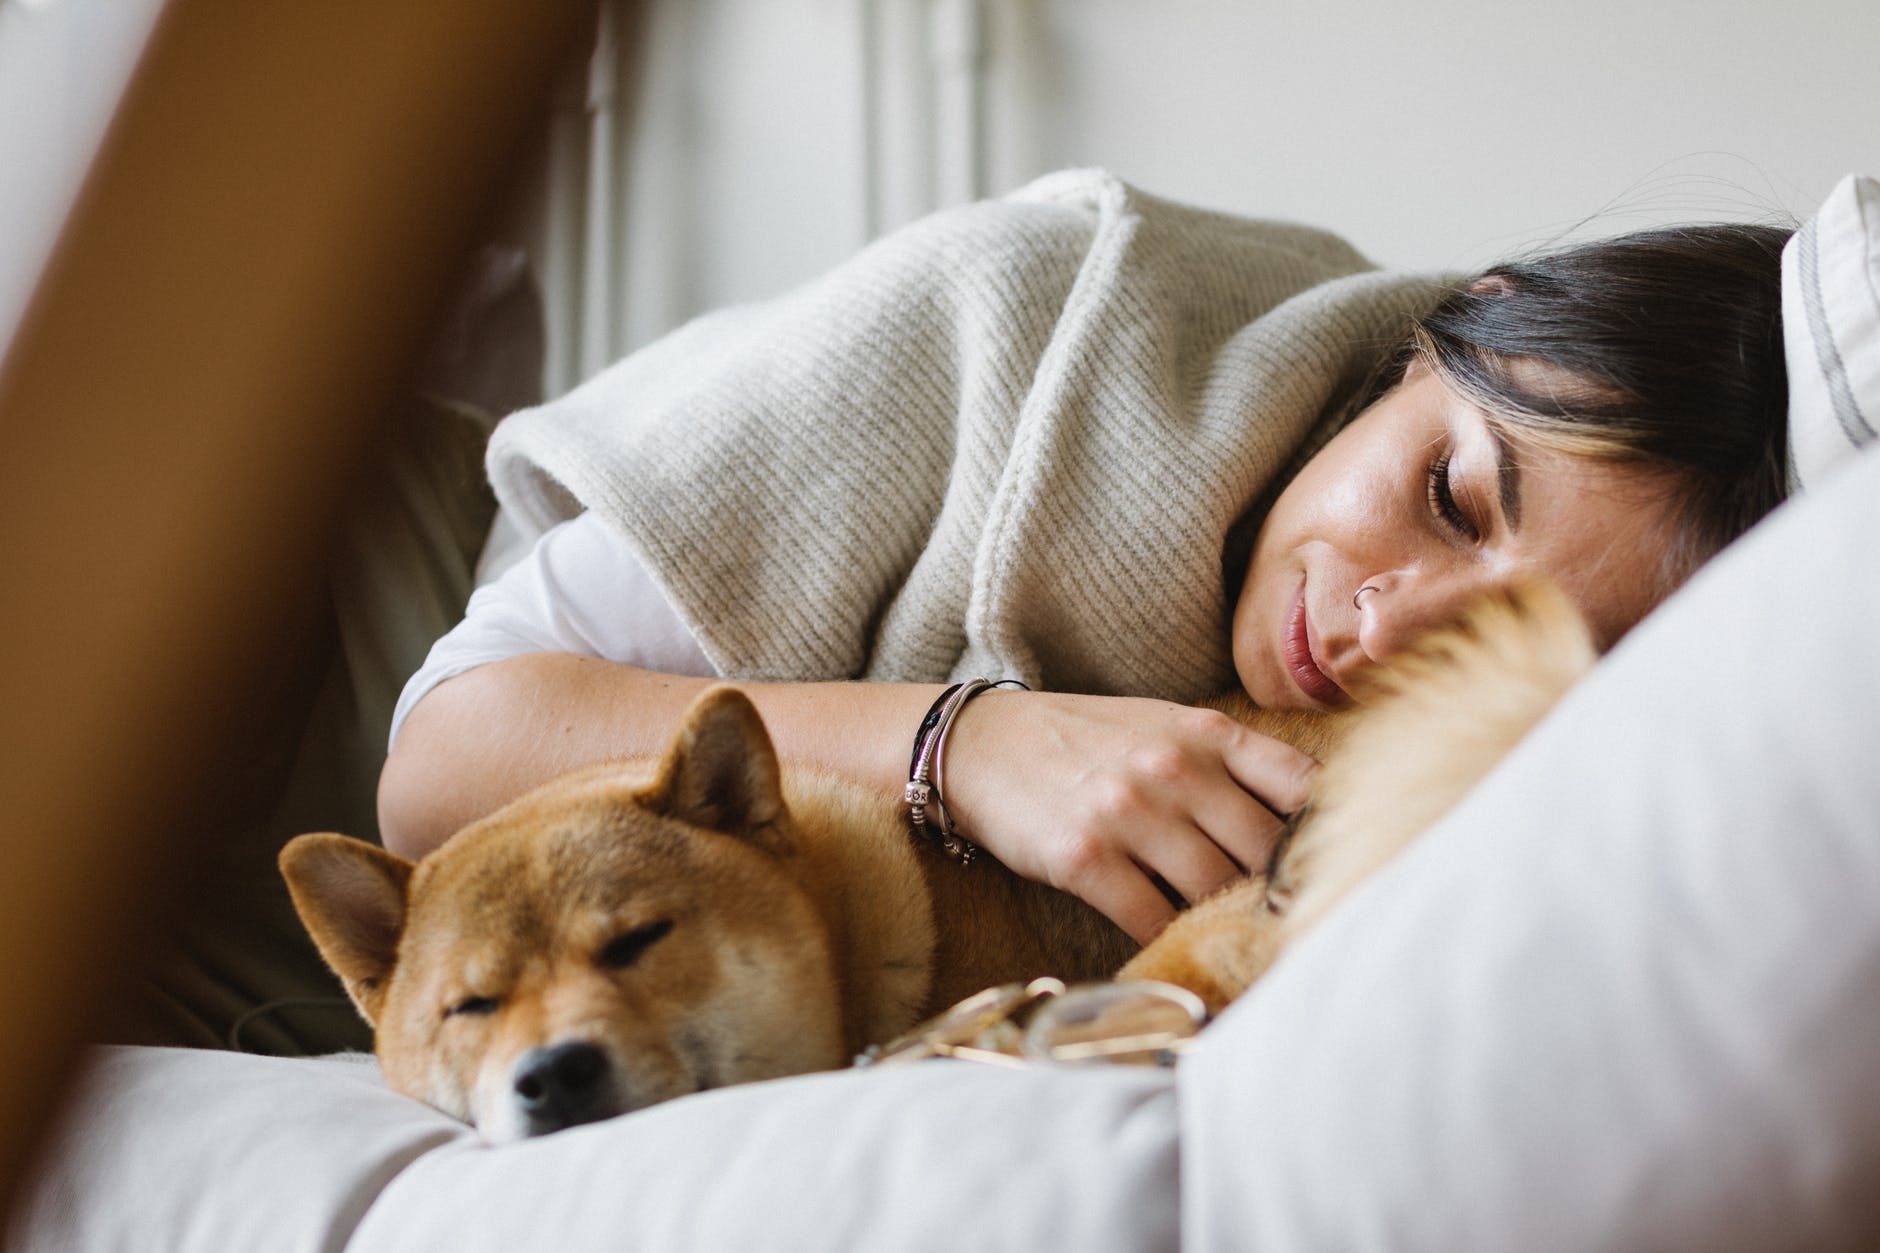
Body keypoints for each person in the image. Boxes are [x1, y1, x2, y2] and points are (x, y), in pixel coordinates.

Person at [379, 175, 1791, 947]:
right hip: (368, 629)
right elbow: (438, 767)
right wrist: (966, 743)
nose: (1383, 629)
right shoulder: (1031, 305)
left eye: (1504, 643)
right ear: (1458, 323)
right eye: (1451, 496)